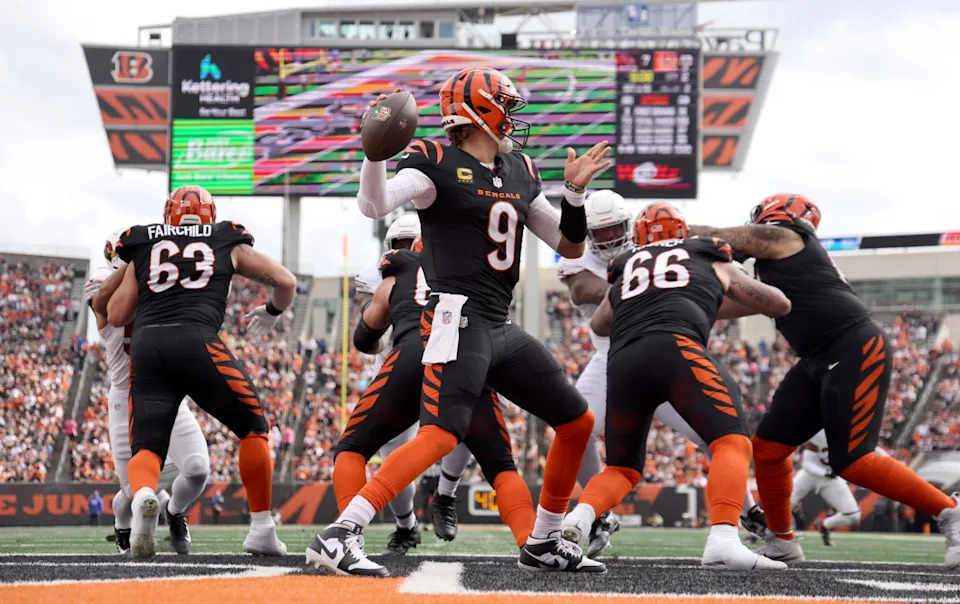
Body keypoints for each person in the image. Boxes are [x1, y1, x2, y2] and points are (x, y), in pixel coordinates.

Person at [310, 67, 610, 576]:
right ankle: (342, 530)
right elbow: (374, 204)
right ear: (478, 110)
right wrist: (373, 153)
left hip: (497, 321)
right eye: (506, 105)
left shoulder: (520, 170)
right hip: (454, 316)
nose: (514, 118)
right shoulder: (434, 162)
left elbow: (568, 245)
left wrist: (576, 197)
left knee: (576, 420)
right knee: (442, 434)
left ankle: (543, 539)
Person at [690, 193, 960, 568]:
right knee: (767, 450)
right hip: (819, 356)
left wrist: (677, 235)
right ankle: (782, 541)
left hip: (852, 344)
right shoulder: (782, 264)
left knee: (854, 460)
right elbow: (732, 305)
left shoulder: (789, 236)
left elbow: (725, 236)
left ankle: (950, 511)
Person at [561, 203, 791, 570]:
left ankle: (581, 517)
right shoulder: (703, 251)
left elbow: (602, 323)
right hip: (674, 348)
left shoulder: (626, 265)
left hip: (623, 362)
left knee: (622, 468)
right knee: (731, 439)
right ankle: (724, 538)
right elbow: (779, 304)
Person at [315, 236, 538, 566]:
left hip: (413, 354)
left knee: (352, 447)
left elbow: (364, 336)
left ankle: (348, 536)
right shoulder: (479, 264)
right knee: (501, 465)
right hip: (467, 357)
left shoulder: (397, 270)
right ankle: (534, 543)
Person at [106, 184, 296, 559]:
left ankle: (145, 497)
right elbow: (286, 282)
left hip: (148, 349)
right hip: (197, 342)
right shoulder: (225, 236)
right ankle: (261, 528)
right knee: (254, 428)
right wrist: (272, 312)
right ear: (209, 217)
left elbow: (115, 314)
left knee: (147, 447)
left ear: (168, 215)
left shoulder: (144, 241)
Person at [350, 214, 474, 547]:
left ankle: (445, 495)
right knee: (394, 460)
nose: (407, 254)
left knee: (469, 421)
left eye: (412, 245)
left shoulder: (453, 274)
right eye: (400, 247)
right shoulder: (381, 280)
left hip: (444, 364)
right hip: (398, 373)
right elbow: (368, 336)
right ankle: (407, 526)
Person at [87, 232, 212, 556]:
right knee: (135, 492)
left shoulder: (159, 285)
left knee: (197, 467)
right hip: (126, 397)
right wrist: (139, 265)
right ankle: (123, 526)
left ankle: (174, 513)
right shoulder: (108, 285)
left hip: (165, 391)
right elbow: (106, 304)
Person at [791, 429, 885, 546]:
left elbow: (871, 448)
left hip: (831, 479)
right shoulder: (819, 433)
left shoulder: (850, 432)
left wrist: (888, 460)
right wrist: (824, 472)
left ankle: (824, 525)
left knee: (853, 515)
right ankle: (776, 534)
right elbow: (807, 463)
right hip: (809, 475)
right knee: (783, 505)